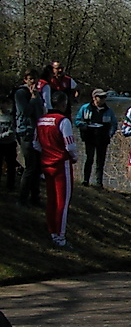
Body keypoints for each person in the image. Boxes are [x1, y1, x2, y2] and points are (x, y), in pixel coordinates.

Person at [34, 90, 77, 247]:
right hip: (61, 164)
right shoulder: (63, 121)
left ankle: (52, 231)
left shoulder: (41, 120)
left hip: (46, 163)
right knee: (62, 202)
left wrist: (47, 152)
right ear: (63, 104)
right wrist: (74, 157)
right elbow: (70, 145)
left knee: (51, 200)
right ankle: (60, 237)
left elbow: (35, 143)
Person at [74, 89, 117, 187]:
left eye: (104, 97)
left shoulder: (108, 111)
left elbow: (114, 124)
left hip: (103, 138)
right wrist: (84, 126)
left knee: (100, 161)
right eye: (100, 97)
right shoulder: (85, 108)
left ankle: (99, 183)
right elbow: (77, 121)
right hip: (89, 137)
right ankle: (86, 181)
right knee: (89, 159)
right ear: (94, 98)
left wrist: (110, 134)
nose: (103, 99)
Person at [14, 69, 43, 207]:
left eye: (35, 78)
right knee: (30, 166)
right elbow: (25, 112)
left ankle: (35, 198)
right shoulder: (20, 93)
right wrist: (33, 98)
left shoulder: (38, 93)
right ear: (25, 80)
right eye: (30, 78)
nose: (33, 81)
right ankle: (22, 199)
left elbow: (40, 112)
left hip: (37, 132)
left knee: (38, 166)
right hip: (25, 132)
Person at [0, 84, 17, 191]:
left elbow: (12, 130)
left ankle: (10, 185)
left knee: (11, 165)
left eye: (4, 103)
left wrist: (4, 135)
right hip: (0, 144)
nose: (2, 106)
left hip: (10, 143)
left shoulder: (11, 116)